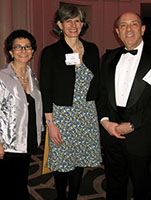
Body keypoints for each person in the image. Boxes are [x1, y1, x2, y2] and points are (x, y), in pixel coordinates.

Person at [40, 4, 102, 200]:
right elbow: (46, 89)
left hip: (86, 113)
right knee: (62, 163)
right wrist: (50, 123)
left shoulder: (92, 49)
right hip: (62, 115)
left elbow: (97, 83)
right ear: (60, 24)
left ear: (83, 24)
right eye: (68, 21)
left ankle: (73, 196)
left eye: (77, 20)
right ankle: (61, 196)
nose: (73, 25)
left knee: (79, 161)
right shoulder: (51, 52)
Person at [98, 12, 151, 200]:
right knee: (115, 184)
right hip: (112, 134)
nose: (128, 29)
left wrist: (133, 124)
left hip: (143, 134)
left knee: (143, 186)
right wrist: (105, 122)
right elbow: (102, 94)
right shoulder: (109, 57)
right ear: (117, 32)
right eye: (123, 25)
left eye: (134, 24)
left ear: (143, 29)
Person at [0, 29, 43, 200]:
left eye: (27, 47)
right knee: (7, 184)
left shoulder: (31, 75)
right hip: (8, 143)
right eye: (18, 47)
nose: (23, 51)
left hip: (27, 139)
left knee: (20, 180)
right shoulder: (2, 78)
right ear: (10, 52)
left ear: (32, 51)